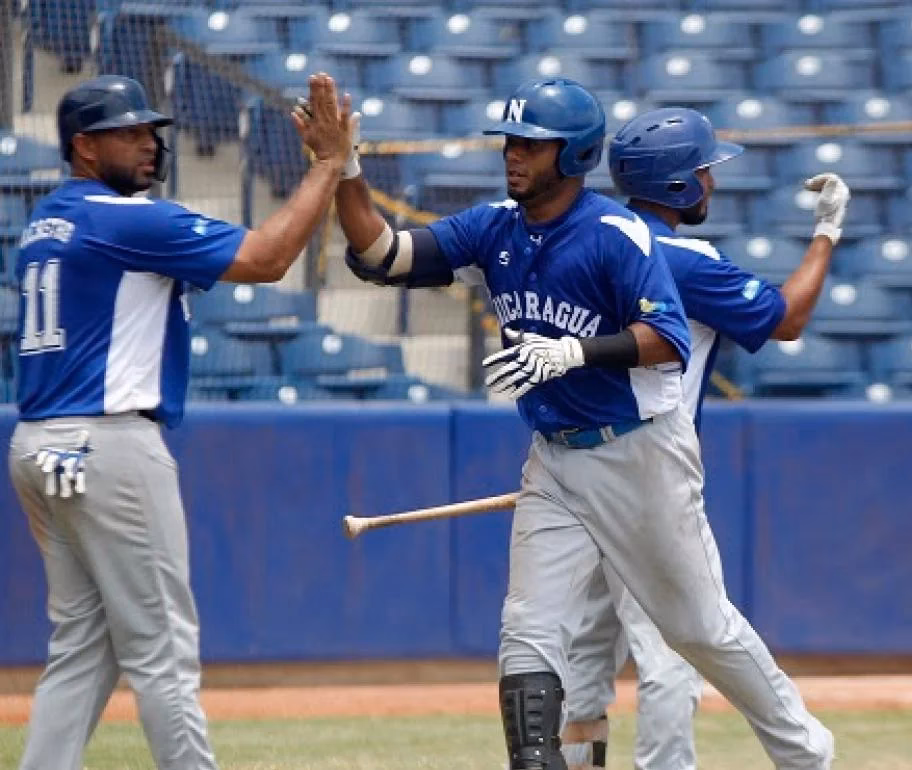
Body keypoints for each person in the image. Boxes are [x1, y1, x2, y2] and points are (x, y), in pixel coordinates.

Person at [334, 77, 835, 770]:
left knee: (698, 631)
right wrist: (344, 170)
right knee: (528, 629)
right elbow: (383, 256)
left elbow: (669, 337)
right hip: (554, 458)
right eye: (510, 141)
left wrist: (573, 352)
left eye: (532, 146)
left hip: (641, 454)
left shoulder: (616, 234)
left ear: (573, 157)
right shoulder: (493, 226)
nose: (513, 155)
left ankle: (807, 751)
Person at [10, 72, 353, 770]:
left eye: (151, 130)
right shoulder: (125, 218)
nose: (148, 144)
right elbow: (268, 257)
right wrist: (326, 165)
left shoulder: (45, 223)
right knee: (162, 646)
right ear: (82, 146)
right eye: (127, 132)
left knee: (82, 645)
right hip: (108, 445)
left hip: (39, 444)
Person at [559, 107, 849, 770]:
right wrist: (827, 231)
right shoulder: (687, 259)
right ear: (681, 185)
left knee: (581, 656)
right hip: (646, 477)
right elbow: (789, 318)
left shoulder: (589, 238)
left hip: (576, 467)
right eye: (704, 171)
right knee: (672, 650)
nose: (712, 182)